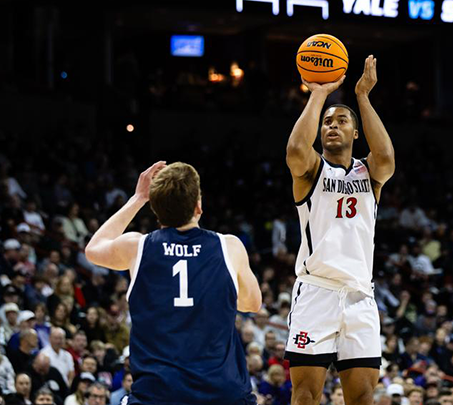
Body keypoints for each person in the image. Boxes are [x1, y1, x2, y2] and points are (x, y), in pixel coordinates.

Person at [84, 161, 262, 405]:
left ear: (156, 209)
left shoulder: (137, 247)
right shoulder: (229, 247)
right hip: (222, 394)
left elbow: (93, 249)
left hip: (157, 395)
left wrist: (137, 198)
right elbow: (252, 304)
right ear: (198, 206)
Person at [284, 55, 395, 405]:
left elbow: (387, 157)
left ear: (355, 132)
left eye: (341, 120)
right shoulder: (311, 172)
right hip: (317, 292)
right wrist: (318, 94)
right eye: (327, 122)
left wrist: (363, 97)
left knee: (362, 397)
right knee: (305, 395)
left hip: (360, 294)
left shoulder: (369, 174)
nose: (332, 125)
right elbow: (296, 150)